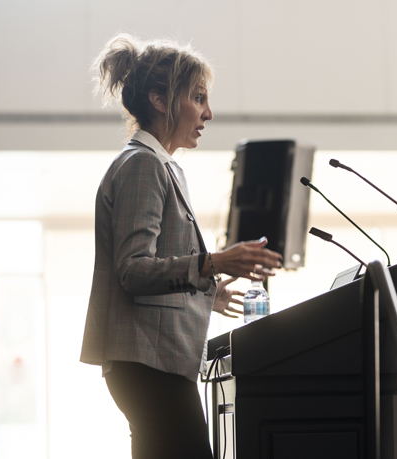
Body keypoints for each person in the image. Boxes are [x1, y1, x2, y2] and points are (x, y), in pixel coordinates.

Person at [79, 34, 283, 459]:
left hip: (153, 363)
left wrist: (209, 290)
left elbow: (156, 268)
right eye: (198, 97)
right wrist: (215, 262)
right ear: (158, 99)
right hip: (149, 364)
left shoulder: (158, 166)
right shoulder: (143, 166)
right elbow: (133, 270)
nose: (209, 112)